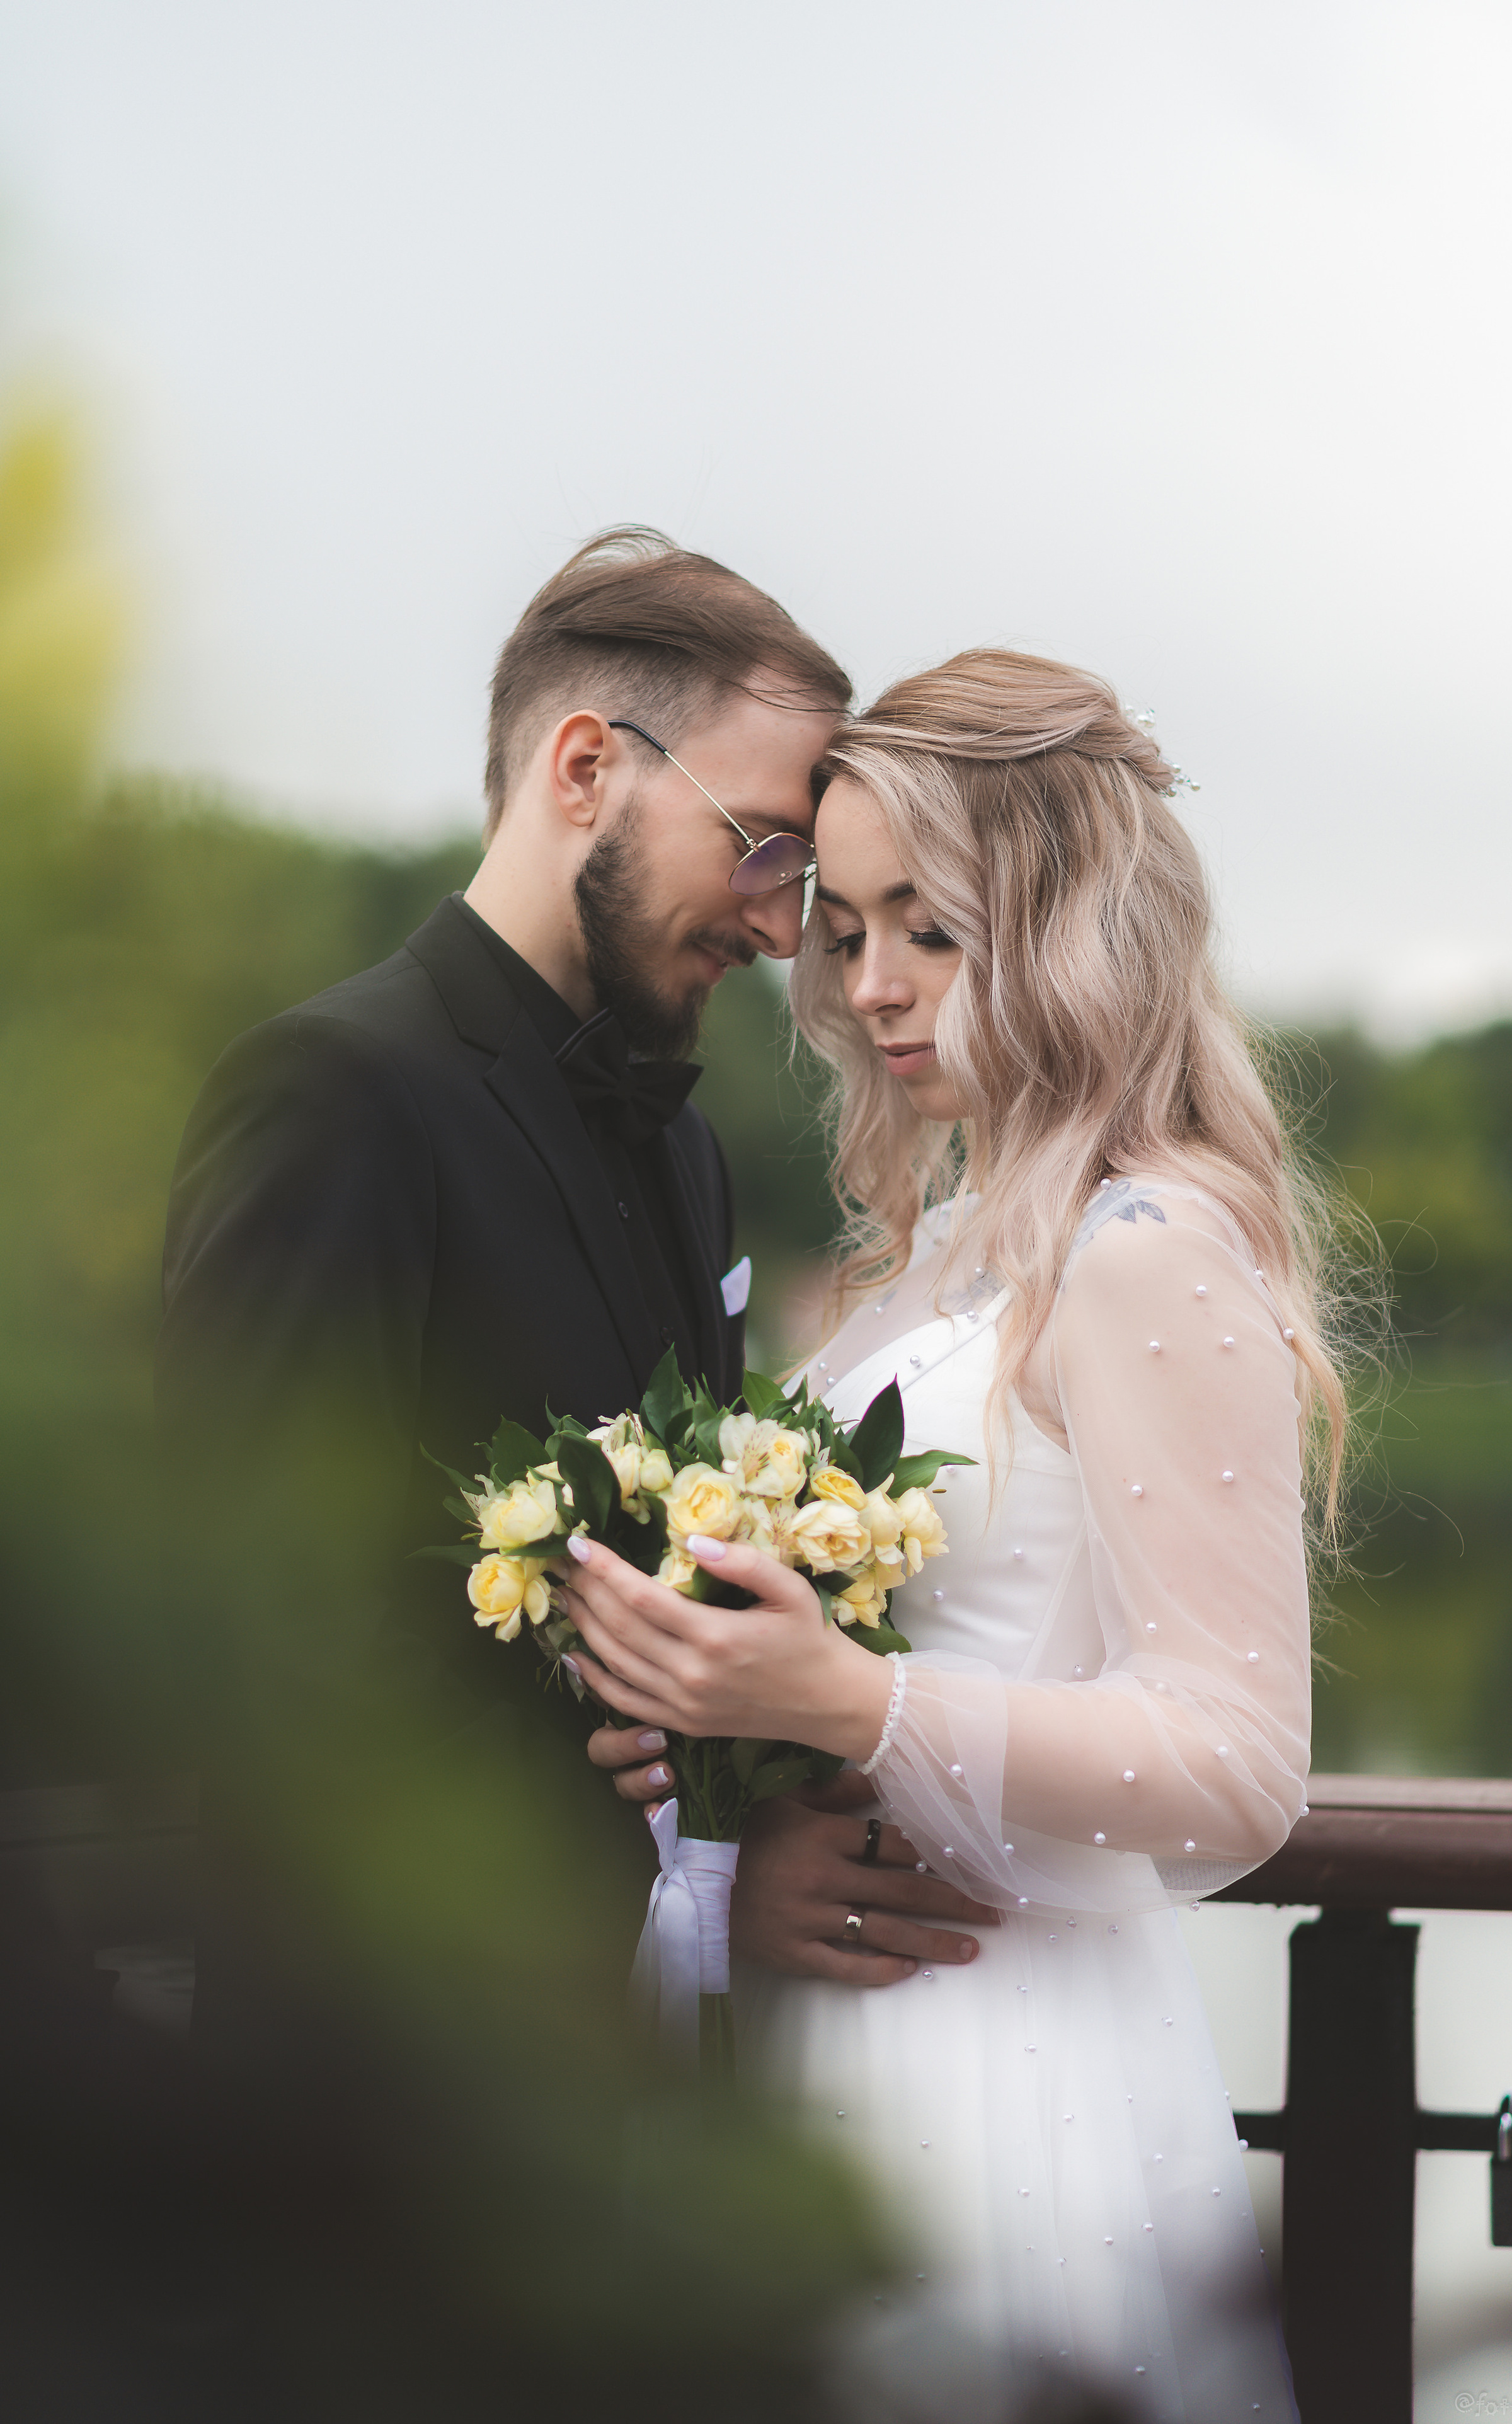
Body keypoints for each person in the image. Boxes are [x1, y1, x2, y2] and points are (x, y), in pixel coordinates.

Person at [561, 649, 1339, 2420]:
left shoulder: (1143, 1247)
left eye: (934, 926)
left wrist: (849, 1708)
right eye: (846, 934)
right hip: (820, 2028)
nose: (876, 985)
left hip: (1007, 2070)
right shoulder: (939, 1251)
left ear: (1068, 918)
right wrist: (700, 1731)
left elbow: (1240, 1763)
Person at [156, 527, 995, 2053]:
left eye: (797, 879)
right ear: (587, 767)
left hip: (639, 2094)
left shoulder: (682, 1153)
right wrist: (642, 1816)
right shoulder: (332, 1092)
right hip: (385, 2086)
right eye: (760, 847)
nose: (774, 921)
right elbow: (240, 1640)